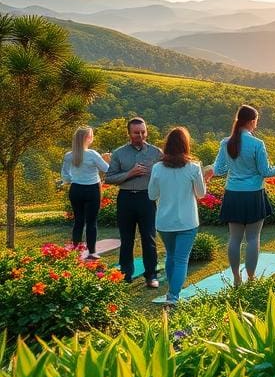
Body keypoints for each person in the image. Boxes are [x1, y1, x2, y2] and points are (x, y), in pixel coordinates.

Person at [213, 105, 275, 287]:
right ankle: (251, 279)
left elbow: (218, 170)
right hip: (253, 195)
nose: (256, 125)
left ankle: (236, 278)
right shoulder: (257, 144)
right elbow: (265, 171)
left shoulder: (225, 143)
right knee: (252, 239)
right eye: (256, 121)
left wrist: (233, 166)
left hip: (233, 194)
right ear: (251, 122)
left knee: (234, 238)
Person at [148, 127, 206, 305]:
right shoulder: (193, 168)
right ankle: (173, 296)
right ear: (185, 145)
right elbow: (201, 193)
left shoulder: (157, 168)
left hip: (165, 221)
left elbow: (151, 195)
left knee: (171, 256)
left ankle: (171, 293)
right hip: (187, 221)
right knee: (181, 259)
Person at [105, 117, 163, 286]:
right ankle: (125, 274)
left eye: (143, 132)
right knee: (127, 238)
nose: (140, 135)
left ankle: (151, 275)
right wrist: (130, 173)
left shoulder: (156, 153)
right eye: (136, 132)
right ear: (129, 133)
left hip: (147, 198)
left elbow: (165, 173)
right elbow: (109, 179)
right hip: (126, 199)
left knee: (149, 238)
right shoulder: (119, 153)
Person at [60, 126, 111, 259]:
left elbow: (64, 176)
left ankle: (75, 251)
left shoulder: (69, 155)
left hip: (76, 190)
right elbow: (107, 170)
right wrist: (107, 159)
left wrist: (75, 179)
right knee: (91, 222)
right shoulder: (93, 154)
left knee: (78, 221)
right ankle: (92, 252)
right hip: (92, 190)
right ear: (87, 138)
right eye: (91, 135)